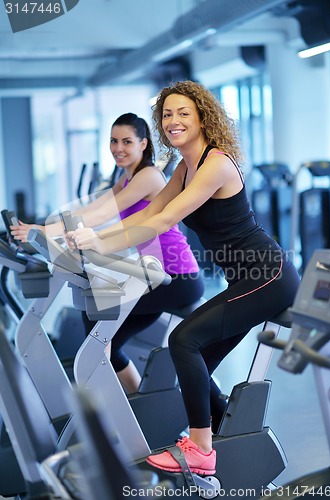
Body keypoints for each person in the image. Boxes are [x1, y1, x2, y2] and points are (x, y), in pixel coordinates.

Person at [71, 82, 300, 476]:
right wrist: (92, 241)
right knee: (196, 364)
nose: (173, 121)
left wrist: (101, 244)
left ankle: (201, 449)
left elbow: (163, 220)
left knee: (183, 340)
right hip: (245, 279)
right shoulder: (183, 167)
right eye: (167, 115)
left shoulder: (216, 164)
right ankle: (230, 429)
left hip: (269, 274)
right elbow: (147, 214)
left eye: (183, 113)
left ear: (202, 117)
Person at [10, 112, 204, 394]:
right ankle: (138, 409)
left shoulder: (148, 176)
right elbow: (89, 210)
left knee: (99, 326)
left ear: (143, 144)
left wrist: (43, 229)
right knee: (103, 344)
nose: (118, 148)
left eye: (127, 141)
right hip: (153, 273)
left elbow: (103, 214)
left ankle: (112, 405)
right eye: (113, 141)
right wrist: (45, 228)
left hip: (177, 276)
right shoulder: (126, 179)